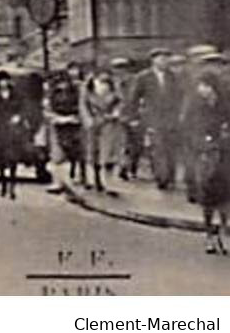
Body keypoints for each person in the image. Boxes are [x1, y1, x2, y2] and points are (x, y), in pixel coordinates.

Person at [181, 71, 230, 255]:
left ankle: (224, 232)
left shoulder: (224, 103)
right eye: (200, 86)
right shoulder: (194, 105)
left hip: (225, 153)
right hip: (203, 154)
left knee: (226, 195)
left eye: (205, 85)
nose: (202, 89)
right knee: (208, 195)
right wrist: (201, 144)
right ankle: (209, 234)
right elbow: (187, 128)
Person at [130, 49, 182, 190]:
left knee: (171, 149)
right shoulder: (143, 77)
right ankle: (162, 178)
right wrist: (133, 117)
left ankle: (171, 177)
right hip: (153, 118)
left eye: (166, 59)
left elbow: (181, 97)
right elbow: (134, 98)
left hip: (172, 119)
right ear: (153, 60)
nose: (164, 62)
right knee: (158, 149)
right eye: (161, 59)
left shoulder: (174, 77)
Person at [0, 72, 32, 200]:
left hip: (13, 123)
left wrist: (18, 117)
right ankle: (2, 179)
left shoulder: (17, 95)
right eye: (0, 81)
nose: (3, 83)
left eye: (5, 80)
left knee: (24, 135)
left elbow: (23, 109)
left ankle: (26, 156)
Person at [81, 66, 125, 197]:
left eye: (107, 75)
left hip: (109, 124)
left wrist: (115, 113)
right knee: (92, 152)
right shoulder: (87, 88)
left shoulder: (114, 88)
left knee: (109, 153)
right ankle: (92, 179)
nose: (105, 78)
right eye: (102, 75)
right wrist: (88, 120)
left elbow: (121, 102)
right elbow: (83, 105)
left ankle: (109, 183)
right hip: (93, 124)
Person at [47, 67, 86, 187]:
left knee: (77, 151)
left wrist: (77, 117)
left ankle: (80, 176)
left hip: (75, 123)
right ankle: (58, 181)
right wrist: (55, 117)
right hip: (58, 123)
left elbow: (82, 106)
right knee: (58, 153)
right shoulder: (53, 93)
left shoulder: (77, 91)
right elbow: (48, 107)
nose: (62, 84)